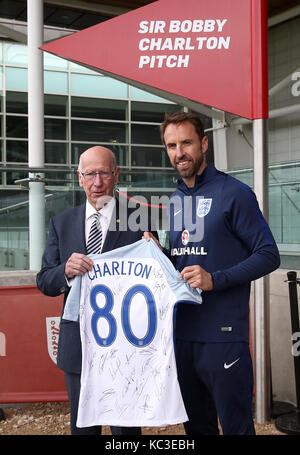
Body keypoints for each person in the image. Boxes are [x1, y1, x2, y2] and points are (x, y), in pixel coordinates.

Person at [145, 112, 280, 435]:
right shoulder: (175, 199)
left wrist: (214, 279)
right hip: (182, 336)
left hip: (223, 336)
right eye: (172, 145)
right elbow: (184, 264)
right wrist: (157, 254)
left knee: (236, 428)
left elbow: (268, 255)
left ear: (204, 143)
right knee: (197, 428)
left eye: (187, 143)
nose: (180, 153)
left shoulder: (234, 193)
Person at [37, 145, 155, 435]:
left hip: (125, 342)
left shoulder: (138, 218)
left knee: (125, 428)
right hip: (77, 342)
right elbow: (44, 281)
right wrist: (64, 270)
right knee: (83, 426)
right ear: (79, 178)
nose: (97, 182)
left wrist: (156, 251)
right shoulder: (61, 223)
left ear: (116, 175)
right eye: (90, 174)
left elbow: (158, 275)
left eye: (104, 172)